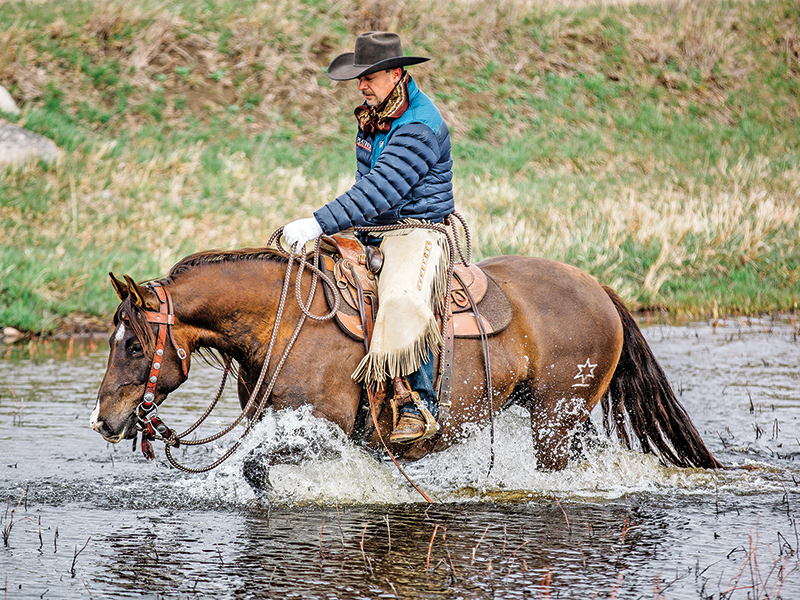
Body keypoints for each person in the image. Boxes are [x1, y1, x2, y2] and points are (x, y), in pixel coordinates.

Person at [282, 31, 455, 444]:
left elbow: (382, 190)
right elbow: (368, 188)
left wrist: (318, 222)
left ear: (396, 73)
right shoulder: (375, 115)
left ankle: (417, 403)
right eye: (360, 77)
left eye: (370, 76)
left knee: (400, 298)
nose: (362, 85)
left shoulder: (419, 124)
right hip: (372, 230)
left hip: (416, 230)